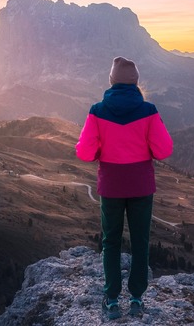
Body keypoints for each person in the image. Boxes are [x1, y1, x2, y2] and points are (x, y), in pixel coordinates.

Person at [75, 56, 173, 319]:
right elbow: (164, 150)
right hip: (141, 185)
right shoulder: (149, 110)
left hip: (111, 186)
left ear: (111, 80)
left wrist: (101, 150)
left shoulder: (97, 111)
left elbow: (84, 152)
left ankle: (111, 301)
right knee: (140, 242)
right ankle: (137, 299)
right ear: (136, 82)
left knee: (111, 242)